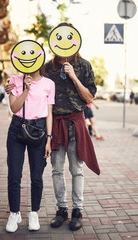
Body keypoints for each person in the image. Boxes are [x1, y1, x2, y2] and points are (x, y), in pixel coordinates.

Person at [5, 22, 100, 231]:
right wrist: (12, 86)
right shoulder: (47, 67)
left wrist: (74, 76)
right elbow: (32, 83)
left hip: (75, 123)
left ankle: (77, 210)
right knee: (57, 170)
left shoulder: (84, 65)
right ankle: (61, 209)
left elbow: (90, 96)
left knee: (76, 170)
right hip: (53, 125)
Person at [5, 70, 55, 233]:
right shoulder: (14, 80)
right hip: (17, 128)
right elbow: (14, 107)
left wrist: (49, 139)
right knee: (14, 175)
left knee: (36, 176)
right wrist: (26, 89)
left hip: (39, 129)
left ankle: (34, 213)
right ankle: (14, 213)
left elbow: (49, 113)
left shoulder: (49, 84)